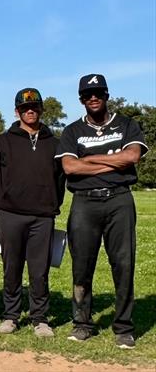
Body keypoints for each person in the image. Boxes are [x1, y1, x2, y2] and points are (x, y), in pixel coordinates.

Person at [56, 74, 148, 349]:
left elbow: (132, 156)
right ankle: (82, 324)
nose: (93, 98)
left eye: (98, 93)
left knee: (123, 265)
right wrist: (113, 161)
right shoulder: (72, 131)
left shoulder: (127, 124)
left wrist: (88, 160)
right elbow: (70, 167)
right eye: (87, 95)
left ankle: (123, 328)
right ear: (81, 99)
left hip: (119, 200)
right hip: (84, 203)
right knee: (82, 266)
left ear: (107, 95)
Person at [0, 88, 64, 338]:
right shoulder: (2, 142)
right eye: (24, 108)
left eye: (34, 107)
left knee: (39, 270)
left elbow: (60, 180)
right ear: (16, 111)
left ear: (41, 109)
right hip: (10, 215)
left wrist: (51, 205)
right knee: (12, 267)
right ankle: (10, 316)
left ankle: (40, 319)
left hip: (42, 217)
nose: (30, 111)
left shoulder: (54, 143)